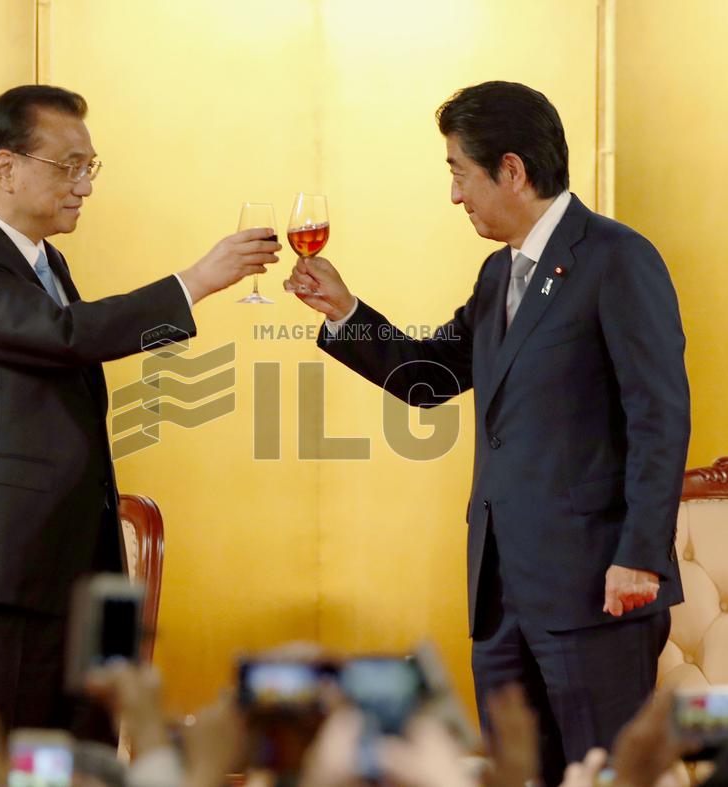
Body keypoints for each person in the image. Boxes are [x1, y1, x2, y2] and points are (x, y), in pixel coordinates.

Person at [285, 80, 690, 786]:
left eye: (458, 173)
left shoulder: (617, 258)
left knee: (602, 776)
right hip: (500, 598)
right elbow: (430, 377)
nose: (454, 196)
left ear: (511, 169)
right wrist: (346, 310)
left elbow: (660, 417)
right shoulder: (497, 272)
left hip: (595, 590)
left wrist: (641, 557)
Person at [0, 84, 280, 741]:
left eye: (90, 167)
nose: (84, 184)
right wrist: (196, 281)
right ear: (6, 167)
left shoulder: (49, 263)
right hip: (3, 579)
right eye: (68, 165)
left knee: (76, 766)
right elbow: (65, 334)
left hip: (76, 574)